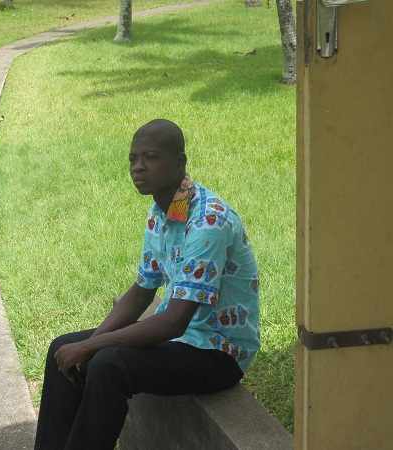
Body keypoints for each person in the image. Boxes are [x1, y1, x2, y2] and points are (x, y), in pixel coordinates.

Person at [33, 119, 261, 450]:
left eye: (150, 157)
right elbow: (142, 291)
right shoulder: (163, 210)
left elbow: (173, 321)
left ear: (180, 163)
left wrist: (92, 348)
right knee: (63, 348)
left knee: (109, 365)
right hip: (184, 340)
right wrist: (90, 342)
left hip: (219, 353)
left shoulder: (208, 221)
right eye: (133, 158)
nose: (138, 167)